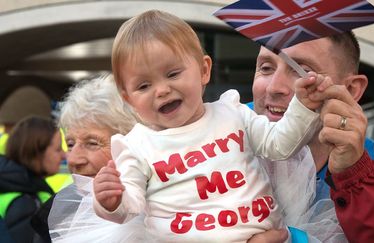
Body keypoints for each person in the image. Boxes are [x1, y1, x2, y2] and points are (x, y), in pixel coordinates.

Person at [92, 10, 335, 242]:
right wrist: (111, 200)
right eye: (144, 86)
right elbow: (129, 207)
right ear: (127, 98)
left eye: (173, 74)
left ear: (203, 70)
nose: (162, 90)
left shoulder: (232, 112)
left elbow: (281, 145)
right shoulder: (136, 145)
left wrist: (303, 106)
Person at [248, 32, 374, 242]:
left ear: (351, 89)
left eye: (303, 71)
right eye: (266, 68)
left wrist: (356, 175)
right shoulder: (209, 150)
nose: (273, 88)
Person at [47, 75, 154, 242]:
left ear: (133, 145)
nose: (74, 160)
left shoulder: (170, 212)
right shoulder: (54, 216)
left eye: (92, 143)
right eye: (70, 144)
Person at [0, 116, 65, 243]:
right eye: (58, 149)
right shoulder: (24, 202)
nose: (64, 155)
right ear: (36, 152)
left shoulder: (22, 187)